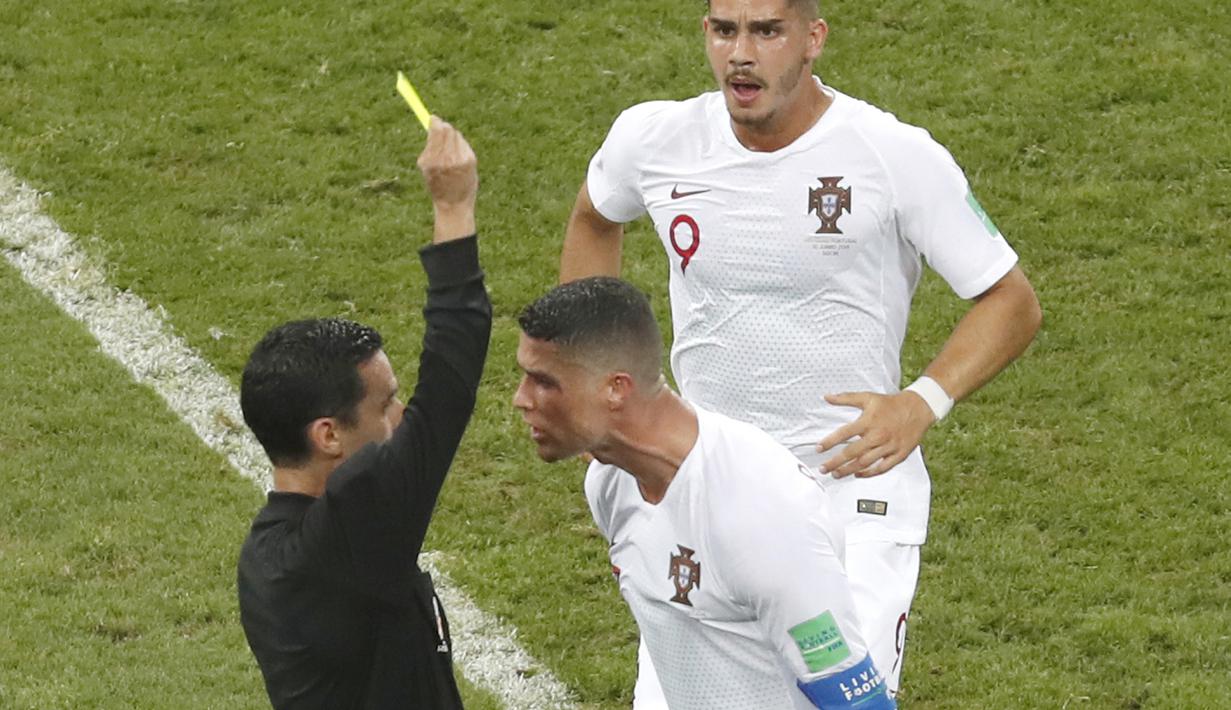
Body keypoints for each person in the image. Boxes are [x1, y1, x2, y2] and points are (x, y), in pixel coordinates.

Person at [560, 0, 1043, 703]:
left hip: (847, 493)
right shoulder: (654, 139)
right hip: (704, 489)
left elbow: (1011, 301)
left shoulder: (891, 154)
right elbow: (595, 214)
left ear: (812, 39)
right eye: (725, 32)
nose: (741, 54)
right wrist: (590, 385)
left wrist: (920, 402)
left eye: (765, 32)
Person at [513, 276, 896, 710]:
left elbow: (857, 701)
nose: (521, 399)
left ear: (615, 388)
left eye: (543, 381)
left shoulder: (762, 512)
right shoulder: (611, 482)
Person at [236, 118, 491, 709]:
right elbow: (448, 387)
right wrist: (453, 210)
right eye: (386, 403)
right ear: (328, 435)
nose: (402, 418)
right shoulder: (357, 520)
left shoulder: (266, 552)